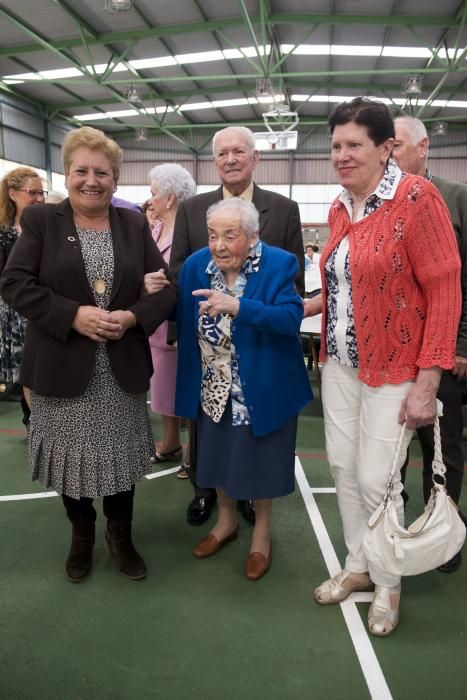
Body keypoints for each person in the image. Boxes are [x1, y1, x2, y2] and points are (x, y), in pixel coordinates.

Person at [0, 126, 177, 583]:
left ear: (115, 180)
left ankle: (121, 534)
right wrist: (72, 314)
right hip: (62, 364)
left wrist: (133, 317)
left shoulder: (133, 224)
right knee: (70, 461)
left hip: (119, 368)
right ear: (67, 172)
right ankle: (81, 533)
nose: (91, 180)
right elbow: (15, 283)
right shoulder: (42, 222)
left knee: (119, 462)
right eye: (81, 170)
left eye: (102, 172)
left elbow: (164, 291)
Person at [312, 98, 461, 637]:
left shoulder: (416, 199)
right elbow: (351, 284)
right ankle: (359, 566)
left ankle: (388, 583)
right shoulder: (338, 206)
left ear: (386, 147)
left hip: (397, 366)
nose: (342, 155)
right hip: (341, 363)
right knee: (344, 471)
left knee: (379, 479)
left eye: (354, 145)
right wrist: (312, 304)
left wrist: (428, 381)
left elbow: (444, 289)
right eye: (335, 146)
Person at [169, 125, 305, 527]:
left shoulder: (282, 210)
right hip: (212, 370)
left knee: (259, 450)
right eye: (221, 153)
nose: (221, 243)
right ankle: (214, 506)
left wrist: (241, 307)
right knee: (212, 447)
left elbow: (289, 289)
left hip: (262, 362)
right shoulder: (194, 216)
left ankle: (256, 520)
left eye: (238, 152)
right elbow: (180, 278)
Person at [175, 197, 312, 579]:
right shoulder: (195, 266)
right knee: (216, 458)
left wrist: (238, 307)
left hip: (263, 385)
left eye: (229, 236)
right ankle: (226, 522)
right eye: (213, 235)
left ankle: (262, 536)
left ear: (252, 237)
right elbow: (181, 317)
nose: (218, 245)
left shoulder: (279, 264)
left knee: (263, 462)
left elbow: (290, 317)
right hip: (213, 386)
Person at [393, 114, 467, 572]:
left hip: (443, 354)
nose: (391, 154)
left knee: (443, 450)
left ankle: (442, 533)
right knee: (391, 452)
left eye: (397, 145)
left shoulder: (455, 198)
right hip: (394, 357)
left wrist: (461, 343)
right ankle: (397, 529)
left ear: (422, 148)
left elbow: (461, 282)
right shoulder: (382, 203)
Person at [146, 164, 196, 479]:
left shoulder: (188, 232)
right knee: (162, 388)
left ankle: (192, 452)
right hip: (154, 324)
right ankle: (170, 442)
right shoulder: (152, 228)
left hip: (180, 323)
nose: (149, 200)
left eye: (154, 193)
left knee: (187, 389)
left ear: (171, 197)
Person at [0, 167, 46, 425]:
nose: (39, 197)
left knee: (44, 368)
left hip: (44, 306)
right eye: (33, 192)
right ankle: (38, 422)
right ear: (13, 194)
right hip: (17, 312)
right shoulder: (4, 232)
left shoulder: (46, 227)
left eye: (41, 192)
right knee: (28, 371)